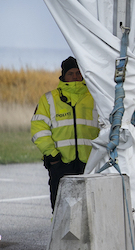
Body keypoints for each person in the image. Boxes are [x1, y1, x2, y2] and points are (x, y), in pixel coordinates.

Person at [30, 57, 99, 211]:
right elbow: (38, 129)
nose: (75, 76)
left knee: (90, 208)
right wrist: (52, 156)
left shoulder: (94, 98)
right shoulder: (49, 99)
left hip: (89, 165)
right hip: (60, 163)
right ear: (63, 76)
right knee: (61, 209)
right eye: (70, 73)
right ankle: (59, 235)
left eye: (78, 72)